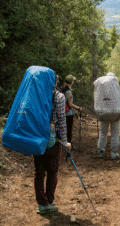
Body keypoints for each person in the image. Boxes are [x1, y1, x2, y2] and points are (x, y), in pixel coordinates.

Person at [33, 75, 71, 214]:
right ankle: (49, 200)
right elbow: (61, 120)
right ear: (55, 81)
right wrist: (64, 141)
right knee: (52, 172)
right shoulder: (59, 97)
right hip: (53, 141)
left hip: (37, 139)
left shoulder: (36, 95)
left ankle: (42, 204)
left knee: (39, 173)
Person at [62, 74, 83, 151]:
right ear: (72, 82)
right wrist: (79, 108)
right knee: (68, 130)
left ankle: (65, 144)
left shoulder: (63, 89)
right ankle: (69, 145)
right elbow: (70, 104)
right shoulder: (68, 92)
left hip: (63, 113)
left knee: (64, 129)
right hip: (68, 114)